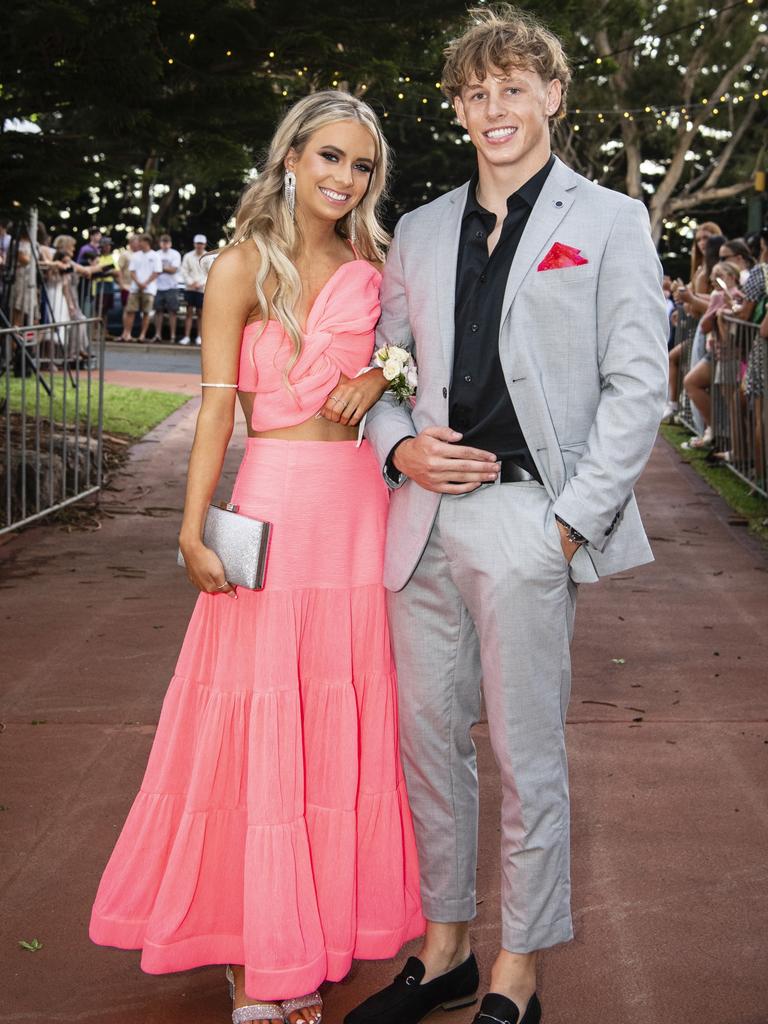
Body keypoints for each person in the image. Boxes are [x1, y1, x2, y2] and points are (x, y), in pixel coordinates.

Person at [349, 7, 668, 1024]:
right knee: (427, 743)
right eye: (476, 93)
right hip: (421, 523)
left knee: (526, 754)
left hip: (530, 518)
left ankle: (517, 969)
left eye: (514, 89)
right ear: (458, 108)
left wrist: (569, 523)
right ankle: (444, 948)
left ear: (553, 97)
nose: (495, 109)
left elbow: (638, 387)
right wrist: (398, 443)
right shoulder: (422, 226)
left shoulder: (611, 222)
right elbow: (385, 370)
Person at [89, 90, 425, 1024]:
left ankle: (302, 947)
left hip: (358, 515)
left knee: (335, 731)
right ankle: (254, 965)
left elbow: (422, 365)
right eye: (327, 156)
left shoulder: (379, 264)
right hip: (272, 507)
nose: (342, 177)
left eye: (360, 165)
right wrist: (192, 528)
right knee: (255, 733)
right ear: (290, 158)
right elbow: (216, 412)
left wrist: (379, 373)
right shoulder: (241, 266)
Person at [681, 260, 743, 451]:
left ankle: (721, 436)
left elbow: (706, 325)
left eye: (719, 276)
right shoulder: (726, 295)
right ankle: (717, 433)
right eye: (713, 276)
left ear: (732, 277)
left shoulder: (733, 296)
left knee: (731, 399)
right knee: (725, 397)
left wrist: (715, 308)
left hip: (727, 354)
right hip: (718, 351)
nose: (714, 280)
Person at [121, 233, 161, 342]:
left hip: (149, 289)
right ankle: (127, 334)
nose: (138, 243)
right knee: (130, 311)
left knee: (146, 312)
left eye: (140, 241)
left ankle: (142, 335)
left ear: (146, 242)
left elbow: (156, 272)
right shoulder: (136, 255)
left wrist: (145, 283)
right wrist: (139, 283)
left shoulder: (155, 255)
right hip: (135, 288)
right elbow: (132, 272)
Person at [179, 233, 209, 345]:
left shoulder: (207, 257)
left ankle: (199, 336)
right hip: (190, 289)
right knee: (189, 312)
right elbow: (184, 271)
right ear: (194, 244)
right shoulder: (188, 256)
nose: (199, 246)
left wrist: (200, 283)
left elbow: (209, 273)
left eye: (201, 244)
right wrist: (191, 283)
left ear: (204, 244)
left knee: (201, 313)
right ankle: (186, 336)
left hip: (202, 289)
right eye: (197, 243)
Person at [153, 233, 182, 342]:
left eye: (167, 243)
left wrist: (160, 268)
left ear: (170, 243)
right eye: (163, 243)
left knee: (172, 312)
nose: (165, 245)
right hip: (158, 287)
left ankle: (173, 336)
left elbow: (173, 270)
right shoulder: (156, 254)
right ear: (160, 243)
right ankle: (157, 335)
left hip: (172, 286)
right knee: (158, 311)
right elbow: (154, 270)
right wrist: (165, 268)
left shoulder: (175, 254)